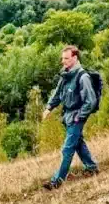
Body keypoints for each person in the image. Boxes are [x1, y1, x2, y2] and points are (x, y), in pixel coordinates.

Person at [42, 45, 98, 190]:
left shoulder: (83, 77)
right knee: (78, 142)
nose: (63, 61)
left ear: (74, 58)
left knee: (68, 148)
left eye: (66, 58)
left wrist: (79, 117)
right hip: (67, 116)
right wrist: (49, 108)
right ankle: (91, 167)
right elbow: (57, 94)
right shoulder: (65, 75)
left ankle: (57, 181)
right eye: (62, 58)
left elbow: (90, 101)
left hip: (76, 117)